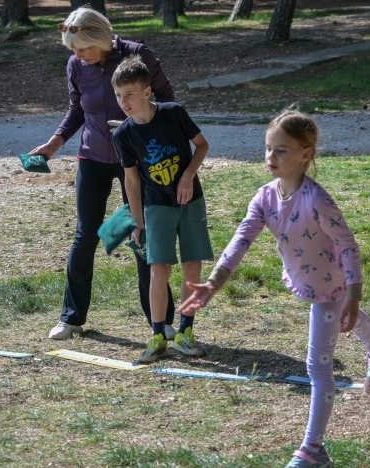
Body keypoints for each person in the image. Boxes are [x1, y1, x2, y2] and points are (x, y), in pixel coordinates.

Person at [179, 110, 370, 468]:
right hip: (311, 282)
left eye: (281, 150)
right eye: (268, 149)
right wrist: (214, 282)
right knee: (341, 318)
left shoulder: (317, 199)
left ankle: (312, 450)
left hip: (330, 287)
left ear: (306, 154)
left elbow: (348, 246)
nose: (271, 157)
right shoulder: (265, 197)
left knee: (318, 369)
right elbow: (241, 240)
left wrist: (354, 292)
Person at [29, 7, 199, 356]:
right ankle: (72, 317)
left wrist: (143, 133)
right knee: (85, 234)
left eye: (82, 49)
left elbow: (166, 102)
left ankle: (161, 321)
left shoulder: (138, 55)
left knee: (141, 233)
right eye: (73, 51)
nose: (78, 56)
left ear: (100, 38)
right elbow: (77, 109)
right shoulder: (77, 65)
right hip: (92, 157)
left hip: (138, 160)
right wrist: (53, 144)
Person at [110, 56, 213, 363]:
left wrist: (187, 176)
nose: (123, 102)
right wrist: (137, 221)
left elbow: (202, 145)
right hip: (156, 207)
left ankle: (185, 332)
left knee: (192, 267)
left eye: (129, 94)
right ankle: (157, 335)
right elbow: (131, 179)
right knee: (160, 269)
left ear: (147, 91)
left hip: (189, 201)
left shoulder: (174, 113)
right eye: (118, 95)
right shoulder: (123, 134)